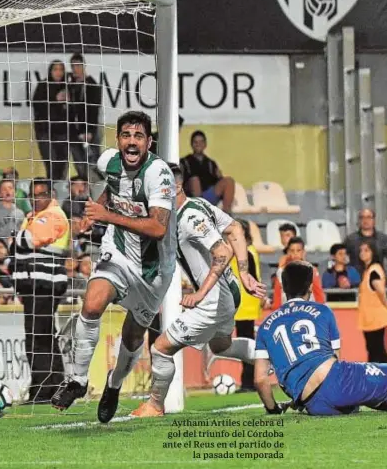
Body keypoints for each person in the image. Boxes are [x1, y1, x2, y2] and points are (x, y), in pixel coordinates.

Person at [51, 111, 177, 423]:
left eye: (138, 136)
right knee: (92, 303)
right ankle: (78, 380)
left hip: (153, 271)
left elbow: (159, 228)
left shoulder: (158, 174)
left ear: (148, 142)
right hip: (118, 254)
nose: (131, 142)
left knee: (133, 337)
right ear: (118, 139)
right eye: (126, 136)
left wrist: (107, 216)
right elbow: (112, 190)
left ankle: (114, 385)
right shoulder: (108, 162)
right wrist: (95, 212)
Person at [131, 164, 266, 418]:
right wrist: (244, 273)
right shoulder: (199, 204)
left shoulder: (190, 218)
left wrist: (200, 294)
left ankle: (155, 406)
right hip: (230, 291)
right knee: (221, 346)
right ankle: (274, 358)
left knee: (160, 348)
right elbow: (235, 228)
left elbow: (222, 252)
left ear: (177, 187)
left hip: (213, 299)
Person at [254, 260, 387, 416]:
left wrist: (273, 409)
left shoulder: (265, 325)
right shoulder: (322, 311)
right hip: (336, 382)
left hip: (314, 404)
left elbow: (260, 379)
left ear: (284, 287)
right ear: (310, 286)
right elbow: (336, 358)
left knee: (363, 394)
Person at [10, 178, 69, 403]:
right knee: (44, 334)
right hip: (35, 283)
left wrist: (15, 240)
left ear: (51, 194)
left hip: (44, 283)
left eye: (41, 194)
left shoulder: (53, 215)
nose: (37, 199)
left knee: (37, 336)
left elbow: (28, 239)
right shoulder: (33, 217)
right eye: (34, 195)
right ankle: (53, 385)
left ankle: (42, 389)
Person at [230, 219, 264, 393]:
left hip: (245, 304)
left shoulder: (244, 253)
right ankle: (248, 381)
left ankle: (249, 382)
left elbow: (251, 278)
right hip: (245, 304)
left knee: (246, 345)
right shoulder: (250, 250)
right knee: (247, 343)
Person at [67, 53, 102, 182]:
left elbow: (94, 110)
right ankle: (84, 190)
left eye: (78, 65)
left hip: (88, 130)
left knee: (92, 162)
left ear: (83, 66)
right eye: (73, 66)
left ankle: (97, 189)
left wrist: (89, 130)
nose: (76, 68)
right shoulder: (71, 85)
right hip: (74, 131)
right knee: (79, 163)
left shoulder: (91, 84)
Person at [32, 60, 69, 182]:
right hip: (45, 131)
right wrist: (55, 99)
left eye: (61, 69)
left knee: (62, 164)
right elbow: (37, 105)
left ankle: (59, 192)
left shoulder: (67, 86)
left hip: (62, 132)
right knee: (51, 164)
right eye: (55, 69)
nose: (58, 72)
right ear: (50, 71)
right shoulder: (43, 85)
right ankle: (51, 192)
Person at [180, 130, 235, 213]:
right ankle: (198, 211)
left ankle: (227, 215)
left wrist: (219, 177)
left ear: (205, 144)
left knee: (229, 181)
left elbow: (217, 182)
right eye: (196, 142)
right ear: (192, 144)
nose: (198, 144)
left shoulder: (211, 163)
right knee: (195, 180)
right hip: (191, 198)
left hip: (207, 196)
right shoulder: (184, 161)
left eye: (201, 142)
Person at [358, 240, 387, 363]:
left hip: (375, 318)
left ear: (373, 252)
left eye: (366, 250)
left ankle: (382, 376)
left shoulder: (373, 270)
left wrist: (386, 303)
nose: (362, 253)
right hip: (370, 317)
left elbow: (379, 289)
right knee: (374, 348)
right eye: (361, 250)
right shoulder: (368, 270)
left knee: (376, 349)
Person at [272, 236, 325, 309]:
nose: (295, 253)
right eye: (292, 250)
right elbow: (278, 296)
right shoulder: (282, 271)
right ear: (288, 252)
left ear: (303, 252)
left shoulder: (312, 270)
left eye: (298, 250)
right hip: (287, 313)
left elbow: (319, 296)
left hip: (308, 312)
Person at [344, 208, 387, 275]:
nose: (365, 220)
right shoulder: (351, 239)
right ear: (359, 221)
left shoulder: (382, 238)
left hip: (377, 279)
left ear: (374, 220)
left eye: (369, 217)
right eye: (362, 217)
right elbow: (342, 257)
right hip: (356, 281)